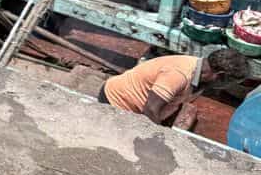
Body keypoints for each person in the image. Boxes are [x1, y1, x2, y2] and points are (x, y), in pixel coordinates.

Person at [99, 49, 250, 126]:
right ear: (220, 75)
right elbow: (150, 110)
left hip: (138, 110)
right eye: (230, 83)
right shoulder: (179, 75)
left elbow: (174, 103)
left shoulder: (202, 77)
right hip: (115, 103)